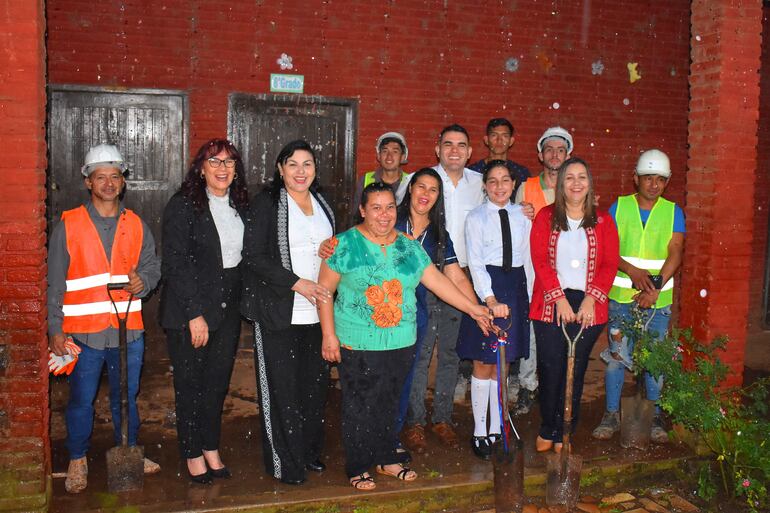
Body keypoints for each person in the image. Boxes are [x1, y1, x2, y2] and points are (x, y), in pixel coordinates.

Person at [317, 182, 495, 490]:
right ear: (362, 210)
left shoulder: (409, 246)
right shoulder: (343, 245)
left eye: (389, 207)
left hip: (401, 341)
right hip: (356, 341)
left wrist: (474, 309)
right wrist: (328, 335)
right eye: (376, 207)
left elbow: (438, 281)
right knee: (359, 404)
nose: (384, 215)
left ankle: (387, 457)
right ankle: (358, 464)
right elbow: (323, 293)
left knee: (390, 401)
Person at [47, 143, 161, 494]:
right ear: (88, 182)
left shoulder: (137, 224)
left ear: (122, 182)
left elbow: (153, 267)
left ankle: (128, 447)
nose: (109, 183)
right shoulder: (68, 224)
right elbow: (54, 281)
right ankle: (77, 459)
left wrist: (145, 280)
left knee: (126, 396)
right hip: (83, 335)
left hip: (128, 332)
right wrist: (55, 328)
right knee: (81, 400)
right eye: (101, 177)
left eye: (115, 177)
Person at [241, 140, 335, 485]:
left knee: (313, 388)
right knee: (281, 390)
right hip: (280, 311)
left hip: (318, 314)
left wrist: (328, 248)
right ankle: (284, 463)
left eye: (307, 164)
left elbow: (328, 249)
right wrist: (297, 283)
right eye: (292, 164)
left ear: (315, 169)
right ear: (280, 169)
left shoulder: (323, 203)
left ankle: (307, 452)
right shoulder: (267, 203)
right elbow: (253, 255)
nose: (300, 171)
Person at [160, 138, 249, 484]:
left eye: (229, 163)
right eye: (215, 162)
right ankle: (192, 453)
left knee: (216, 385)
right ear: (200, 169)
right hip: (189, 312)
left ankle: (210, 447)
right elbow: (176, 263)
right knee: (190, 385)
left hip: (226, 310)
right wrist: (194, 313)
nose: (223, 169)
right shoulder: (184, 206)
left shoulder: (240, 206)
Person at [397, 124, 485, 453]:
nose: (426, 194)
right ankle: (415, 422)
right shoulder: (396, 227)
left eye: (432, 191)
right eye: (421, 188)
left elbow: (455, 274)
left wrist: (478, 307)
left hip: (451, 290)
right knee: (418, 358)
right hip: (411, 301)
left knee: (449, 356)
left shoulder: (439, 233)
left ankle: (443, 418)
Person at [592, 149, 684, 444]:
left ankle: (654, 415)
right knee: (617, 359)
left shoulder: (673, 212)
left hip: (658, 303)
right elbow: (607, 249)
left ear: (666, 182)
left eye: (660, 179)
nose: (654, 184)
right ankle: (611, 414)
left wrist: (653, 289)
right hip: (621, 301)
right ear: (636, 179)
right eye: (648, 178)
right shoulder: (619, 207)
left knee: (655, 361)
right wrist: (632, 271)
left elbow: (676, 251)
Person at [529, 157, 618, 453]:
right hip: (551, 301)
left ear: (589, 183)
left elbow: (609, 264)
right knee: (550, 366)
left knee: (575, 368)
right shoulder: (545, 217)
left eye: (582, 177)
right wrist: (559, 298)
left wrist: (591, 298)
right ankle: (548, 427)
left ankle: (566, 429)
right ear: (561, 183)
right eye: (570, 178)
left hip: (589, 304)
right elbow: (540, 261)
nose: (576, 183)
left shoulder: (604, 220)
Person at [457, 160, 530, 460]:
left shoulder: (524, 215)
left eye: (505, 180)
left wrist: (528, 295)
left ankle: (499, 426)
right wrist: (487, 298)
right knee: (484, 361)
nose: (499, 186)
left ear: (513, 184)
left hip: (515, 287)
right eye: (493, 181)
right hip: (488, 285)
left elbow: (528, 257)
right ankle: (479, 430)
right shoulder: (476, 217)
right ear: (485, 186)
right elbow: (474, 261)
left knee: (504, 362)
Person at [511, 126, 574, 416]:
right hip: (533, 265)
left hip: (567, 267)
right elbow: (512, 223)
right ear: (540, 154)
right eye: (549, 149)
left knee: (562, 327)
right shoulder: (527, 187)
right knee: (532, 325)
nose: (555, 154)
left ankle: (556, 385)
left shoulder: (575, 185)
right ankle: (527, 385)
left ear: (568, 154)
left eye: (561, 150)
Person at [351, 131, 409, 213]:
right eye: (385, 151)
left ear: (402, 157)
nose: (389, 156)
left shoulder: (410, 181)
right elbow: (356, 214)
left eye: (395, 152)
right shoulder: (365, 180)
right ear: (378, 156)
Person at [468, 117, 530, 192]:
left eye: (505, 136)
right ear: (486, 140)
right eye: (494, 135)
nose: (499, 140)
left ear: (511, 141)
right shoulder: (473, 171)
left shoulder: (521, 172)